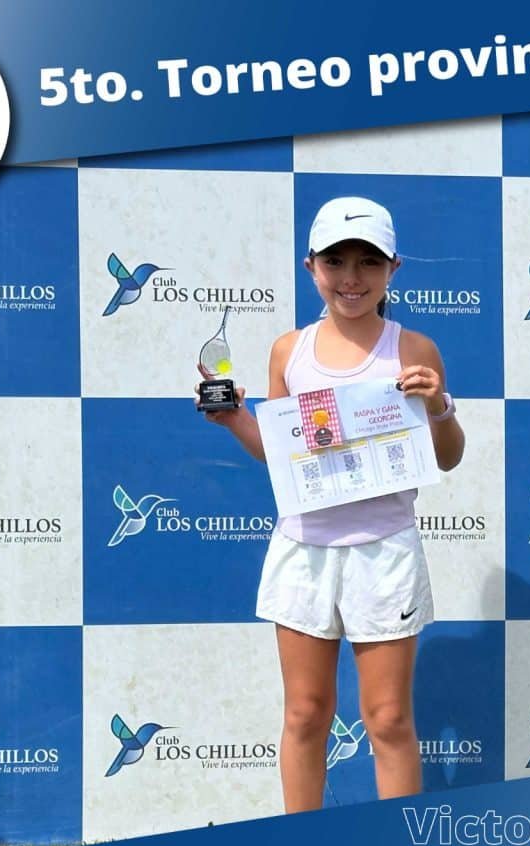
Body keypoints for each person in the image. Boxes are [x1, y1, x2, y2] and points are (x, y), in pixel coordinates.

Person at [197, 196, 465, 812]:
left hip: (386, 551)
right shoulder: (288, 351)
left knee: (388, 718)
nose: (351, 278)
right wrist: (235, 419)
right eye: (336, 261)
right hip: (303, 550)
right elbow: (284, 457)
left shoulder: (416, 349)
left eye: (368, 262)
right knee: (305, 714)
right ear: (310, 267)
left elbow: (447, 457)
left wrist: (439, 407)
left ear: (393, 269)